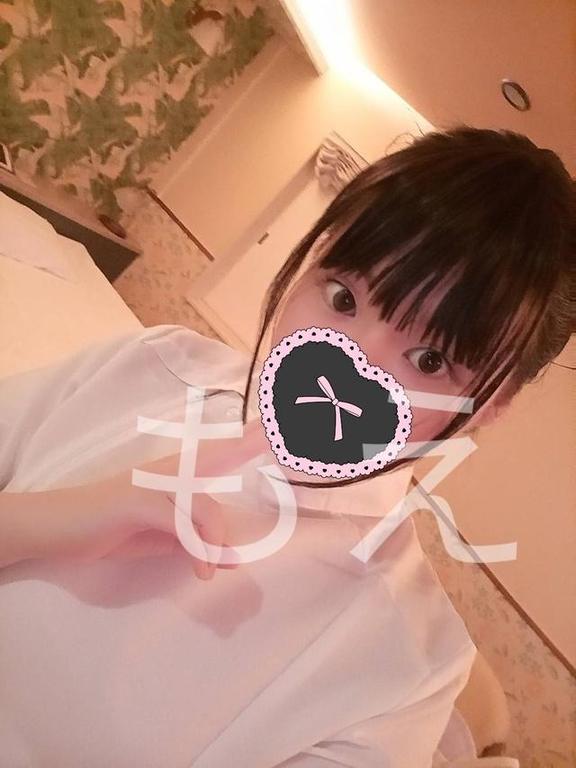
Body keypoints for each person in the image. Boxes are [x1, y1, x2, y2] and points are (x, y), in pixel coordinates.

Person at [0, 125, 573, 767]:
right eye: (343, 297)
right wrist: (46, 518)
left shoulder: (406, 670)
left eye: (430, 360)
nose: (345, 364)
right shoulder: (154, 363)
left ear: (490, 406)